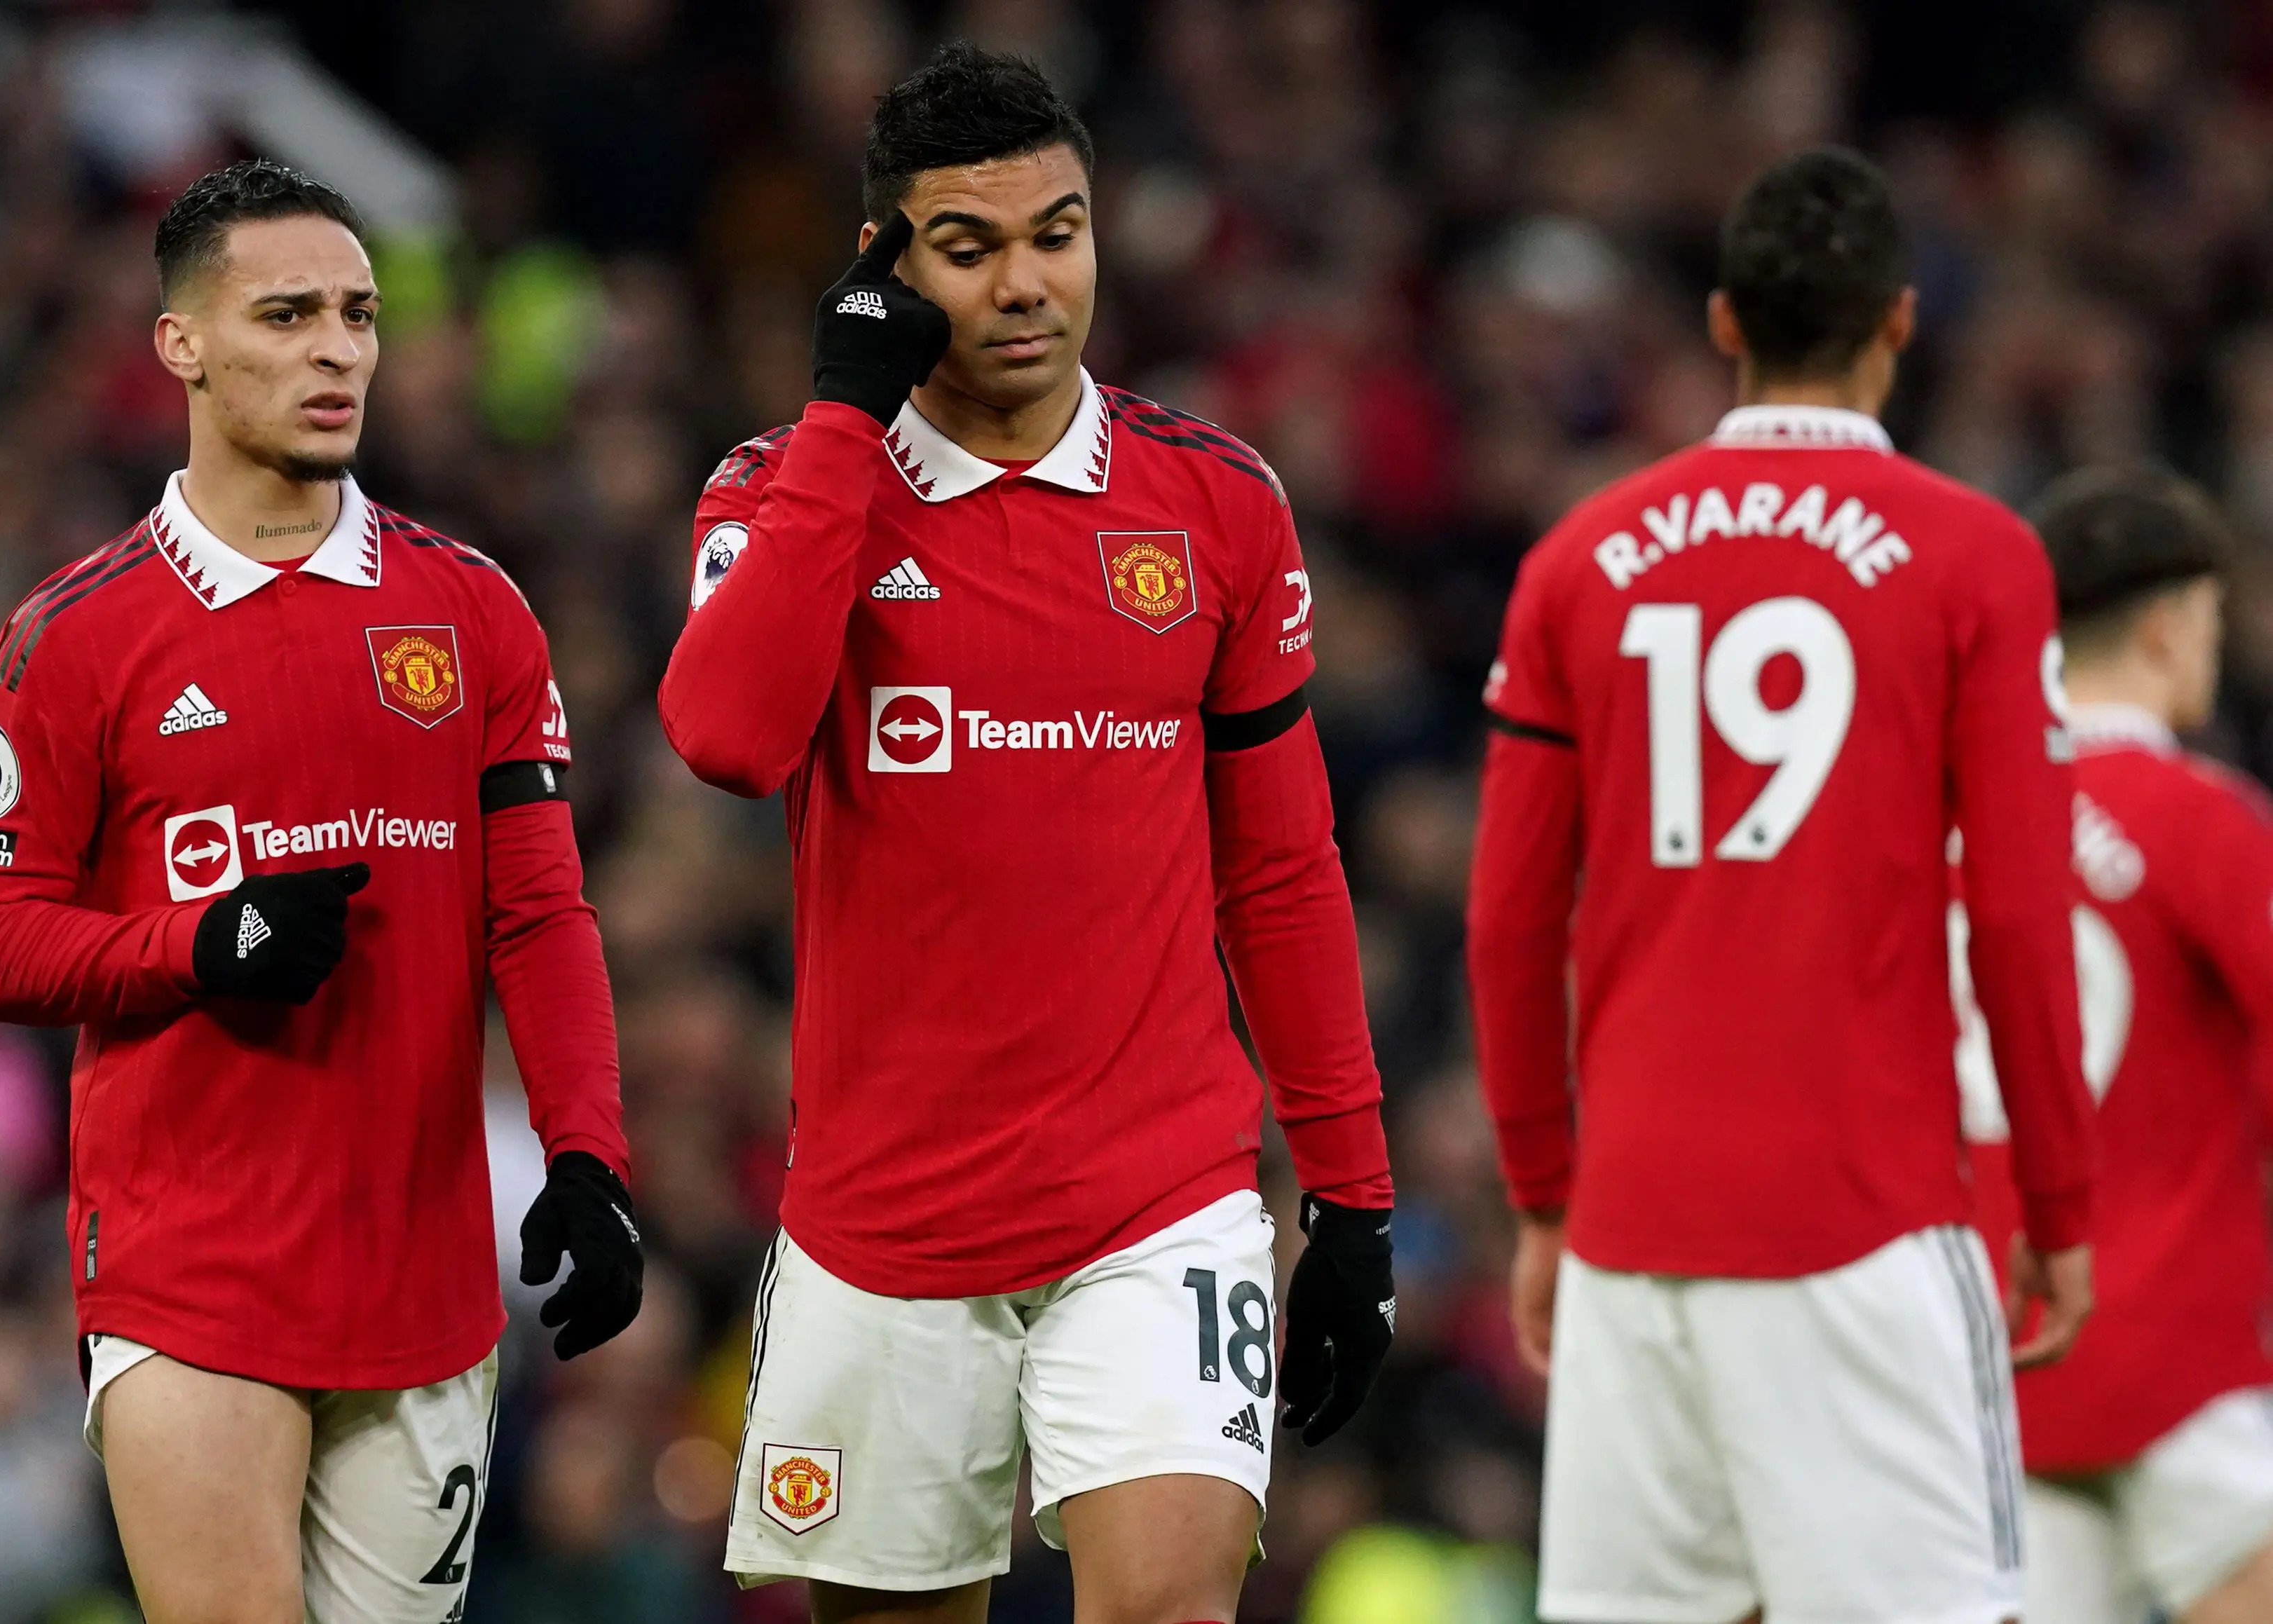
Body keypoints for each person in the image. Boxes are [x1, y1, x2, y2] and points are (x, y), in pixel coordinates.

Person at [658, 43, 1395, 1624]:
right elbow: (725, 738)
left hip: (1161, 1202)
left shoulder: (1213, 507)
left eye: (1055, 234)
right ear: (887, 266)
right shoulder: (787, 493)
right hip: (884, 1222)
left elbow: (1280, 869)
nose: (1024, 284)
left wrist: (1351, 1190)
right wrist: (846, 417)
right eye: (970, 248)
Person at [0, 159, 644, 1624]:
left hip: (424, 1280)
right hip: (187, 1268)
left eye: (361, 315)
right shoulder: (73, 634)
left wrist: (588, 1155)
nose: (338, 349)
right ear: (181, 343)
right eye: (289, 313)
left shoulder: (475, 609)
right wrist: (203, 942)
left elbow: (540, 916)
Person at [1466, 144, 2098, 1624]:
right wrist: (2059, 1208)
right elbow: (2014, 913)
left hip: (1632, 1234)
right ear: (1899, 322)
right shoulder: (1978, 561)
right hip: (1862, 1227)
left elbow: (1505, 923)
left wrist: (1546, 1199)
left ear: (1722, 323)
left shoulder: (1578, 561)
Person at [1951, 469, 2273, 1624]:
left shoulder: (1948, 828)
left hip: (1988, 1365)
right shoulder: (2198, 820)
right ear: (2167, 623)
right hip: (2177, 1351)